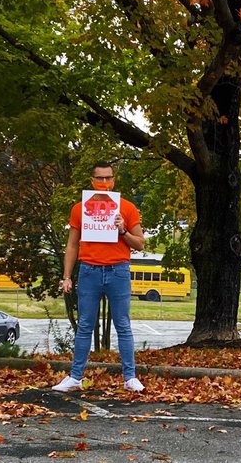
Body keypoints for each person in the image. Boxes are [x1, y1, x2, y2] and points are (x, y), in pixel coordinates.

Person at [52, 161, 146, 393]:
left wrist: (123, 230)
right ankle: (75, 376)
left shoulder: (126, 207)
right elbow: (72, 245)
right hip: (90, 270)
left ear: (114, 180)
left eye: (108, 178)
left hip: (118, 270)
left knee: (123, 325)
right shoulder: (79, 208)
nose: (104, 183)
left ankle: (130, 377)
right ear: (91, 181)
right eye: (99, 178)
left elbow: (140, 244)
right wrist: (66, 276)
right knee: (85, 325)